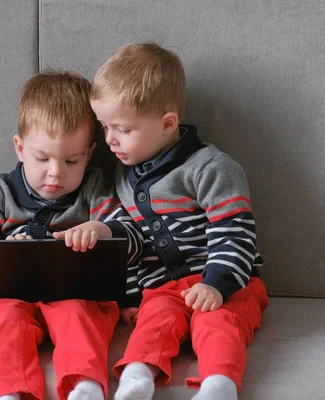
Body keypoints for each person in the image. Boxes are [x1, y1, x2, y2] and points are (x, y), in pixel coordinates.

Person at [87, 42, 268, 400]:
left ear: (168, 123)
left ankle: (219, 385)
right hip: (165, 290)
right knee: (153, 325)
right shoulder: (124, 176)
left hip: (226, 280)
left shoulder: (211, 168)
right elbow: (133, 240)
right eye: (104, 126)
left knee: (218, 325)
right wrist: (128, 294)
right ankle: (137, 378)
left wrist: (216, 283)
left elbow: (234, 230)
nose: (109, 140)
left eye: (121, 129)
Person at [0, 71, 141, 400]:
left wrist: (100, 229)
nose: (56, 173)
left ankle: (85, 387)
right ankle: (11, 393)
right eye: (42, 159)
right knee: (3, 319)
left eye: (72, 160)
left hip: (75, 294)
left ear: (89, 153)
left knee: (79, 315)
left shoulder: (94, 187)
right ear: (20, 148)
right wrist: (1, 249)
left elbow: (128, 237)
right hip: (11, 296)